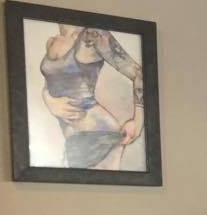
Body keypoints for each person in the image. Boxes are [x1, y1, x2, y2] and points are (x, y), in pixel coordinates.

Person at [39, 24, 143, 170]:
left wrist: (138, 121)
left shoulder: (92, 34)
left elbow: (139, 74)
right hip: (74, 140)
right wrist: (48, 100)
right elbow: (52, 81)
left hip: (100, 135)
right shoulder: (53, 41)